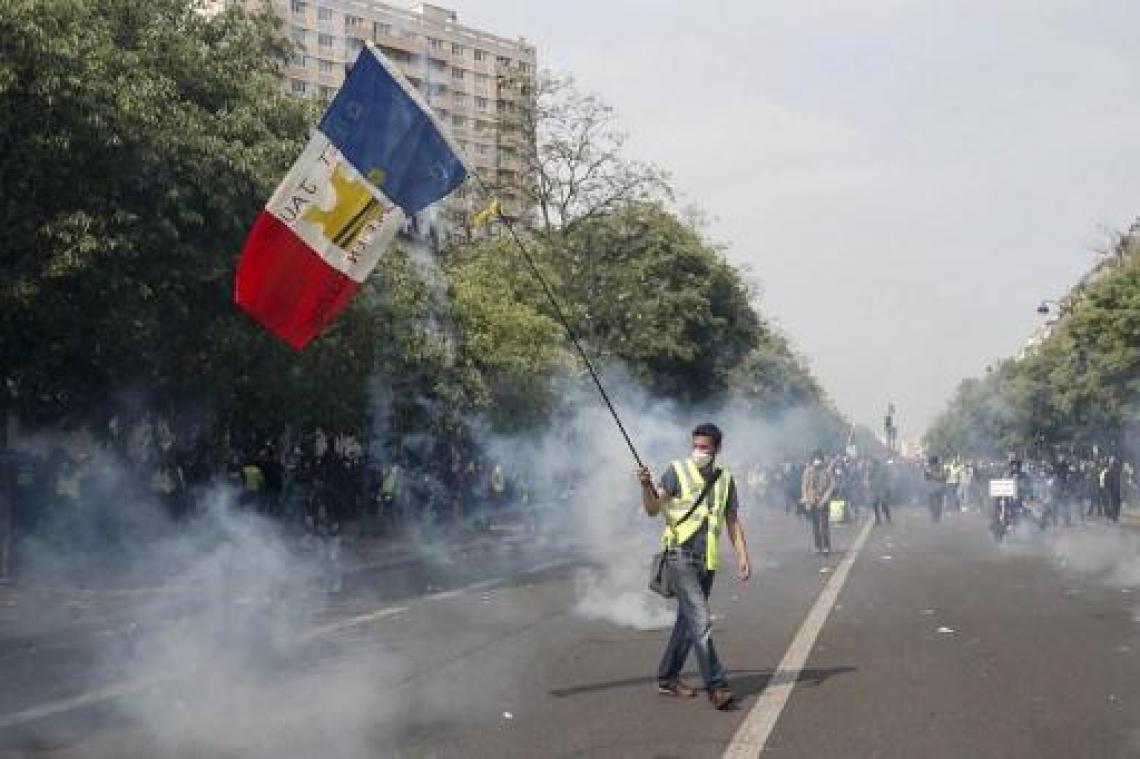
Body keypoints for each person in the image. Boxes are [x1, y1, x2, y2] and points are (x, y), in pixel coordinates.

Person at [637, 423, 751, 711]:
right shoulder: (676, 471)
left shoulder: (725, 480)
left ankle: (667, 677)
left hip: (707, 561)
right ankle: (717, 685)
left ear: (717, 449)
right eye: (696, 446)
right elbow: (653, 509)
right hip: (680, 555)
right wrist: (644, 485)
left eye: (705, 447)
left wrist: (742, 556)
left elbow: (732, 520)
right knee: (701, 620)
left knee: (688, 623)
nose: (699, 452)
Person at [800, 450, 835, 554]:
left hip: (824, 501)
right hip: (812, 501)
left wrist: (824, 499)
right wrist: (806, 500)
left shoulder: (827, 471)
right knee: (815, 525)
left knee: (824, 525)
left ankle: (826, 546)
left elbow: (831, 486)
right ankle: (817, 546)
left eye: (818, 459)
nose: (817, 461)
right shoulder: (808, 471)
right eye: (815, 459)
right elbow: (804, 486)